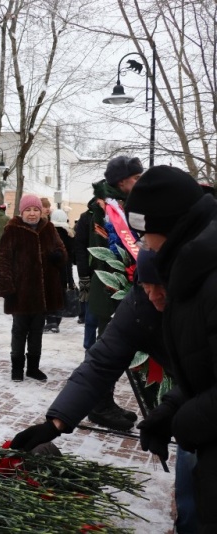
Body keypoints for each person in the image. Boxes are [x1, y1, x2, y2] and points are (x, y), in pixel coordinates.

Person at [10, 248, 198, 534]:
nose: (154, 296)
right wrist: (55, 423)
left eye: (162, 287)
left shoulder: (203, 300)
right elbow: (100, 364)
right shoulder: (139, 306)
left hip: (203, 391)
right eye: (147, 286)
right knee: (193, 486)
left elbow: (206, 372)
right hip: (195, 396)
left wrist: (172, 407)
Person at [124, 165, 217, 532]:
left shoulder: (208, 279)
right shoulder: (193, 266)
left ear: (171, 226)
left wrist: (183, 421)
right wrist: (171, 410)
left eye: (147, 234)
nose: (145, 244)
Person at [73, 155, 144, 431]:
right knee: (105, 349)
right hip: (108, 288)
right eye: (136, 178)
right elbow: (86, 250)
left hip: (130, 286)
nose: (140, 182)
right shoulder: (101, 211)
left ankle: (104, 403)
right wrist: (86, 282)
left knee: (116, 347)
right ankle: (98, 406)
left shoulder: (131, 206)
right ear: (121, 181)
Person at [0, 194, 67, 382]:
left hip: (42, 292)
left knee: (37, 332)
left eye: (35, 210)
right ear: (22, 212)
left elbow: (63, 252)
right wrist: (6, 287)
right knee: (19, 331)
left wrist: (58, 256)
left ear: (41, 211)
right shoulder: (12, 230)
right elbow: (3, 260)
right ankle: (17, 369)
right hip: (20, 292)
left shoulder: (49, 228)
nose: (33, 214)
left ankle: (33, 368)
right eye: (28, 210)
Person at [44, 209, 76, 333]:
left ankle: (50, 321)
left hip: (50, 270)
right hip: (65, 270)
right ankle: (56, 322)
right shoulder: (70, 234)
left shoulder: (49, 233)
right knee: (61, 295)